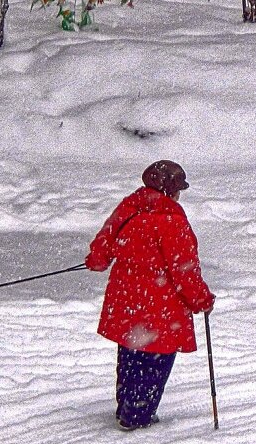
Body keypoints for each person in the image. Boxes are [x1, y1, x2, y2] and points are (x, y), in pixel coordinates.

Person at [85, 160, 215, 430]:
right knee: (155, 361)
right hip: (159, 307)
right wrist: (202, 300)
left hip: (125, 301)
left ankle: (127, 407)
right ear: (170, 191)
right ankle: (137, 416)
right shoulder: (173, 221)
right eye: (178, 189)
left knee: (130, 355)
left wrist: (97, 260)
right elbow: (185, 271)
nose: (180, 195)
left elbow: (102, 247)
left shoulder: (130, 206)